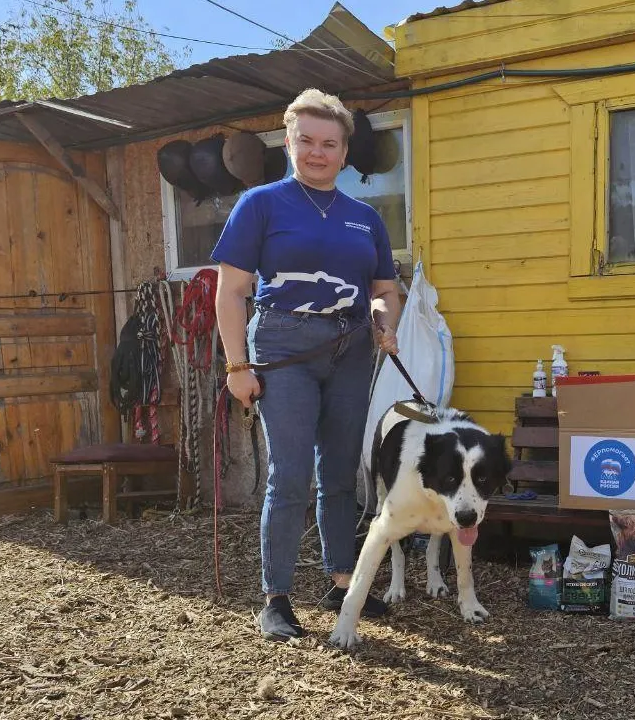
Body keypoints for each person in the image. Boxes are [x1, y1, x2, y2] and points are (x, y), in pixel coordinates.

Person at [212, 88, 402, 642]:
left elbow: (385, 289)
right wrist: (236, 366)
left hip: (350, 349)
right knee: (290, 473)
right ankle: (276, 598)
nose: (318, 153)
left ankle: (343, 583)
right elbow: (230, 293)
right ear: (289, 143)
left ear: (344, 153)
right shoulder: (263, 204)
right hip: (283, 346)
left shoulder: (365, 219)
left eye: (329, 144)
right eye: (306, 142)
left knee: (341, 471)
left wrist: (383, 319)